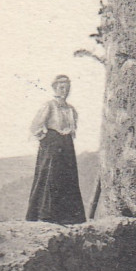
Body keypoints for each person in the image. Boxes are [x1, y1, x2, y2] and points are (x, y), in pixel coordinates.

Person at [26, 75, 86, 225]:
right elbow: (35, 126)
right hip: (52, 144)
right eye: (61, 87)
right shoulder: (49, 106)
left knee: (67, 176)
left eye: (67, 87)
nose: (64, 90)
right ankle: (45, 214)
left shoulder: (71, 109)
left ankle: (68, 216)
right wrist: (46, 139)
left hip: (66, 145)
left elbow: (72, 128)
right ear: (55, 88)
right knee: (50, 176)